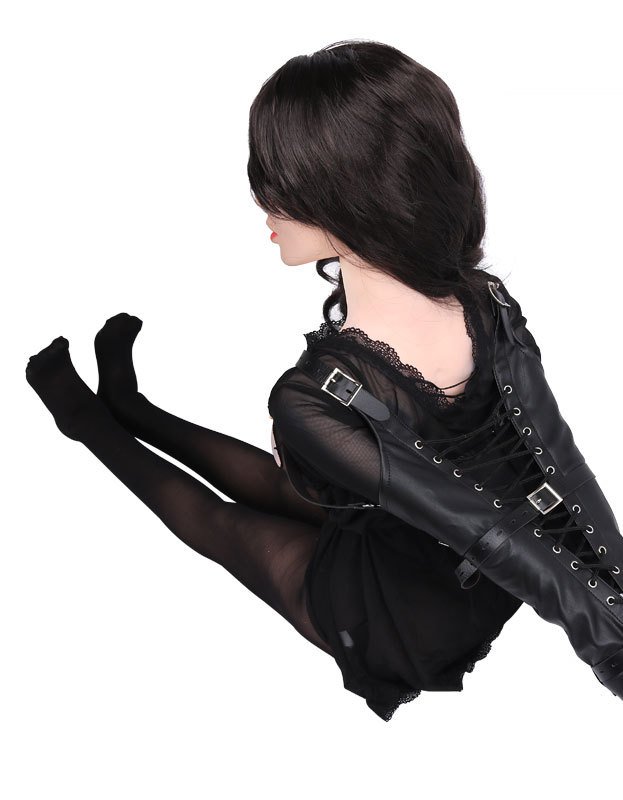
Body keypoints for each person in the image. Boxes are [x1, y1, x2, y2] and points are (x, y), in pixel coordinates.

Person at [25, 39, 524, 721]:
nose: (263, 201)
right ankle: (130, 405)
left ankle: (87, 420)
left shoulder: (326, 384)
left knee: (224, 522)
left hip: (400, 615)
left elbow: (311, 478)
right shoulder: (479, 301)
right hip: (433, 542)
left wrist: (312, 425)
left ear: (352, 192)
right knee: (280, 484)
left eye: (282, 182)